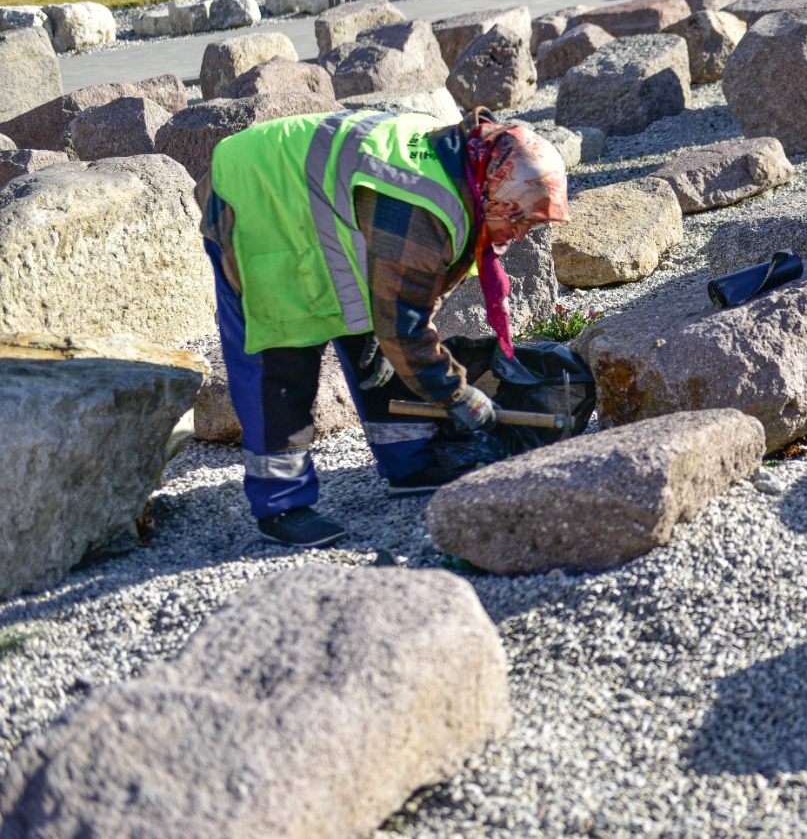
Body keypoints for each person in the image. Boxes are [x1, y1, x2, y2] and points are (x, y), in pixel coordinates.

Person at [196, 107, 568, 548]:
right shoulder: (421, 209)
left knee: (379, 347)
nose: (521, 234)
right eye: (520, 218)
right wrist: (457, 393)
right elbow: (405, 328)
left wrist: (396, 345)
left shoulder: (463, 168)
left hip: (321, 208)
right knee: (280, 358)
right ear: (492, 193)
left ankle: (410, 466)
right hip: (257, 198)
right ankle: (281, 505)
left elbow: (408, 306)